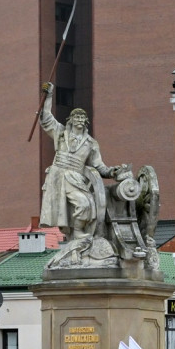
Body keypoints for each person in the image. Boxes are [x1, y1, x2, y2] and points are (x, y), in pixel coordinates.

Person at [38, 81, 124, 241]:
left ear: (86, 121)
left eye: (82, 117)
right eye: (76, 117)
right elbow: (47, 119)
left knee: (86, 204)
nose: (79, 119)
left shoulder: (91, 143)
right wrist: (49, 95)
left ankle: (77, 231)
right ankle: (75, 233)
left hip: (76, 178)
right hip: (58, 176)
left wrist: (112, 171)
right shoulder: (61, 133)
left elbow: (99, 166)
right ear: (70, 120)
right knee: (73, 207)